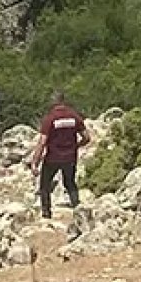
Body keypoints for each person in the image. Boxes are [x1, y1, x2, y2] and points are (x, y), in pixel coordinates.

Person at [29, 91, 91, 219]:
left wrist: (35, 162)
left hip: (53, 157)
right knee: (70, 183)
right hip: (70, 157)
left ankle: (46, 213)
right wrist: (76, 146)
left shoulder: (50, 118)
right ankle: (78, 209)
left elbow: (42, 142)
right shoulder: (74, 116)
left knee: (45, 185)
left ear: (53, 102)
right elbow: (86, 137)